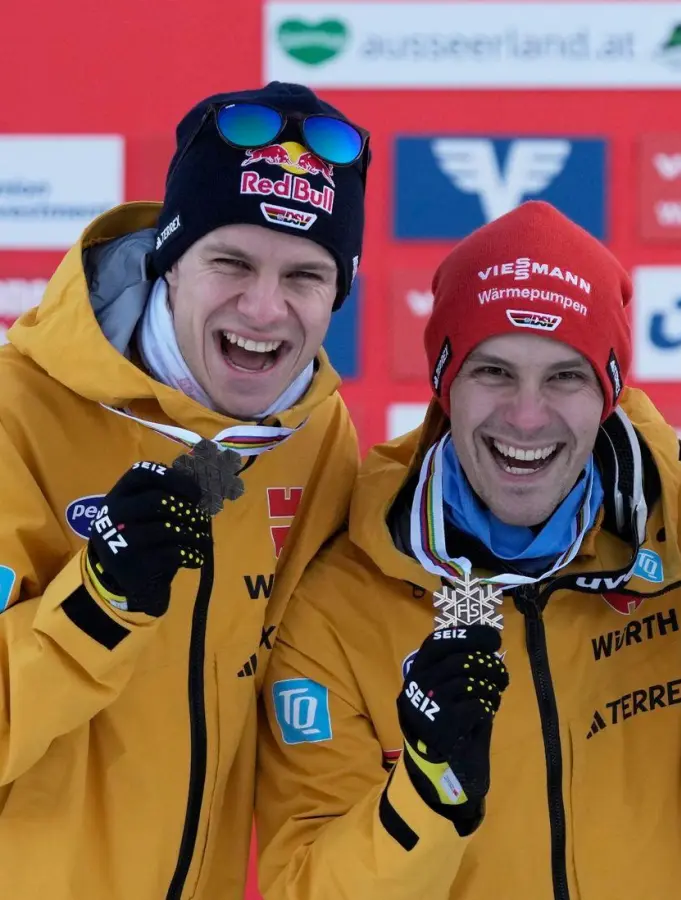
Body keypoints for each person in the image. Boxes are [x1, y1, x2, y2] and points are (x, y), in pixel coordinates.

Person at [254, 201, 681, 898]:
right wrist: (426, 792)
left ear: (609, 394)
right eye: (494, 372)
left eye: (565, 375)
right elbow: (305, 886)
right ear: (446, 385)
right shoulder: (338, 598)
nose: (527, 415)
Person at [0, 82, 367, 898]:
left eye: (306, 275)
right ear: (170, 260)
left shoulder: (317, 437)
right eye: (231, 261)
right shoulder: (15, 414)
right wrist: (94, 606)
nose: (264, 308)